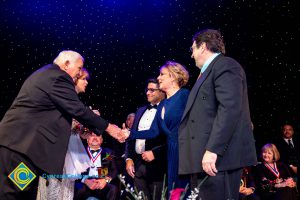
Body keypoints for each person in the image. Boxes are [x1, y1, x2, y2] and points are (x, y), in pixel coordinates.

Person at [0, 50, 122, 200]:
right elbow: (77, 109)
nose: (79, 74)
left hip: (25, 149)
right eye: (79, 69)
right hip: (22, 148)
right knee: (12, 192)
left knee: (19, 191)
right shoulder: (58, 76)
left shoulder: (48, 74)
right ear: (66, 64)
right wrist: (110, 128)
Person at [178, 29, 257, 200]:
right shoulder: (207, 73)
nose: (191, 55)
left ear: (203, 47)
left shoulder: (225, 65)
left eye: (193, 49)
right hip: (204, 160)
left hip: (218, 160)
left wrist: (213, 150)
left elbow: (229, 109)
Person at [124, 61, 190, 195]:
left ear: (173, 76)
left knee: (183, 190)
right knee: (173, 193)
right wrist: (129, 134)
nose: (158, 77)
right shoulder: (162, 104)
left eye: (162, 74)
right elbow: (154, 131)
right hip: (171, 155)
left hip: (184, 152)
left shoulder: (185, 95)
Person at [125, 78, 167, 200]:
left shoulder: (167, 109)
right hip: (138, 165)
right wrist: (129, 158)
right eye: (147, 89)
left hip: (158, 166)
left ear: (162, 91)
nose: (147, 93)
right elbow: (132, 136)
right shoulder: (140, 110)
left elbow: (172, 138)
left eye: (152, 90)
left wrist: (155, 153)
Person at [74, 132, 119, 200]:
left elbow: (114, 170)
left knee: (113, 189)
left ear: (101, 140)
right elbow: (74, 170)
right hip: (85, 183)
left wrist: (105, 180)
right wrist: (85, 180)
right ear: (87, 139)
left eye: (97, 136)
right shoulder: (80, 152)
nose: (95, 138)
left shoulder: (108, 153)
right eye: (92, 136)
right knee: (78, 188)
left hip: (101, 181)